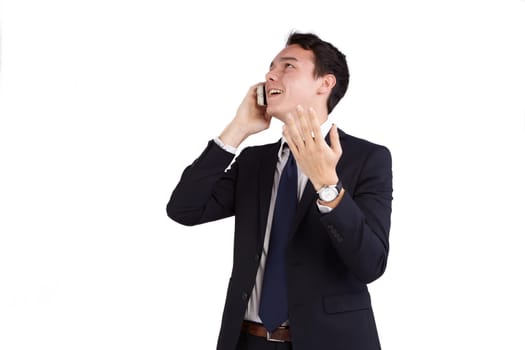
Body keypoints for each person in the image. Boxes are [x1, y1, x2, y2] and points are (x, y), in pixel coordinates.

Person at [166, 32, 393, 350]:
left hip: (330, 342)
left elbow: (370, 263)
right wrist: (237, 130)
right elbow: (184, 209)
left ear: (324, 83)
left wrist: (328, 186)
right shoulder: (255, 161)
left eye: (288, 66)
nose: (270, 75)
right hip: (248, 341)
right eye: (270, 67)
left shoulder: (368, 159)